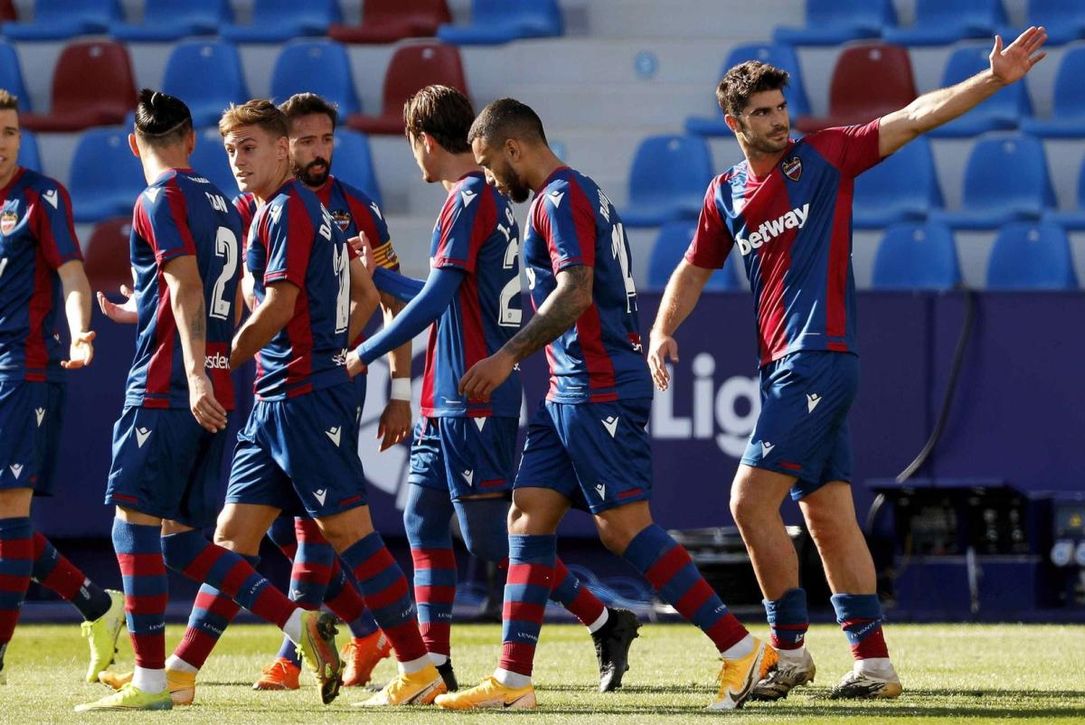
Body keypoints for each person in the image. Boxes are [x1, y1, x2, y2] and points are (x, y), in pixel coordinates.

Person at [647, 27, 1048, 701]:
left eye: (781, 107)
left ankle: (788, 651)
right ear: (734, 123)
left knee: (748, 501)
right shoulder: (724, 194)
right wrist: (662, 329)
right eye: (763, 113)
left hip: (820, 356)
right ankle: (874, 664)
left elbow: (914, 117)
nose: (779, 121)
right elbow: (692, 268)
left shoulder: (825, 156)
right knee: (827, 515)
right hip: (782, 366)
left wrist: (992, 80)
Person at [435, 98, 772, 711]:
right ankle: (513, 681)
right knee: (527, 515)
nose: (488, 177)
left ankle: (741, 649)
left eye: (487, 163)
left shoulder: (560, 199)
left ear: (514, 148)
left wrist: (507, 356)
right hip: (567, 389)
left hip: (598, 386)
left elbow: (576, 292)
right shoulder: (572, 193)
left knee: (623, 528)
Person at [344, 84, 640, 695]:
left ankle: (603, 617)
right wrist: (381, 280)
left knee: (491, 540)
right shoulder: (483, 197)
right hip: (446, 395)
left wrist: (366, 352)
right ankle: (431, 667)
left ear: (424, 141)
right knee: (422, 520)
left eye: (411, 143)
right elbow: (447, 294)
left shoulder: (470, 198)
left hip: (472, 396)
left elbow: (436, 299)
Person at [76, 90, 341, 712]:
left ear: (134, 144)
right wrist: (147, 312)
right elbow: (197, 289)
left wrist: (193, 373)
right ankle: (301, 623)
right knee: (181, 543)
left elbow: (189, 287)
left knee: (131, 526)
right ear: (193, 142)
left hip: (171, 385)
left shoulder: (157, 198)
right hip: (218, 382)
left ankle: (150, 682)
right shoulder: (223, 202)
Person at [208, 98, 444, 708]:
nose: (318, 150)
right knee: (265, 532)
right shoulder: (252, 207)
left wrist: (392, 386)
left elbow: (386, 299)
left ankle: (302, 656)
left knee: (325, 530)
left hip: (319, 388)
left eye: (326, 139)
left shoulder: (352, 209)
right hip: (274, 391)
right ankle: (360, 632)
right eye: (306, 139)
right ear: (287, 144)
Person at [0, 88, 126, 687]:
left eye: (9, 132)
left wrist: (80, 331)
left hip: (21, 368)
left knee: (8, 512)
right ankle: (98, 605)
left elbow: (72, 274)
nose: (2, 144)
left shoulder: (39, 197)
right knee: (7, 526)